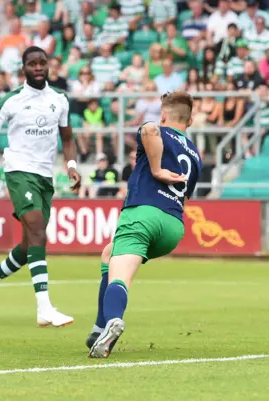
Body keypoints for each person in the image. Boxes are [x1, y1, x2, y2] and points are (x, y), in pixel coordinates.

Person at [0, 46, 81, 327]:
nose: (39, 67)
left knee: (29, 242)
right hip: (18, 171)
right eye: (33, 64)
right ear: (24, 69)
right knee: (38, 231)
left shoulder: (60, 100)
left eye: (42, 63)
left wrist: (71, 167)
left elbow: (67, 139)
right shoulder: (12, 100)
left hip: (45, 177)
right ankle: (44, 307)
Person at [86, 92, 202, 358]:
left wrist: (157, 169)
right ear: (190, 121)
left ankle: (112, 321)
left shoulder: (156, 129)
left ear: (164, 115)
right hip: (173, 227)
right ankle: (98, 329)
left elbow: (149, 130)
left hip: (143, 214)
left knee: (120, 276)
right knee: (109, 253)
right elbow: (185, 196)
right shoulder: (195, 155)